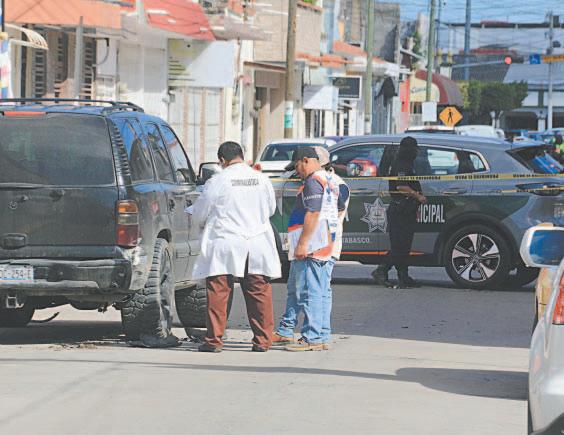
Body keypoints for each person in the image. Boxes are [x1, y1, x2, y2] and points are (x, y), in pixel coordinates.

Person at [189, 141, 281, 352]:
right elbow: (270, 209)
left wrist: (200, 223)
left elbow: (201, 211)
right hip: (257, 241)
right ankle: (262, 340)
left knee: (218, 290)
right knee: (259, 290)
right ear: (242, 155)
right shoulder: (261, 179)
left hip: (226, 240)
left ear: (222, 160)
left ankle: (214, 341)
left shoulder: (217, 181)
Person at [271, 147, 341, 351]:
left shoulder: (313, 181)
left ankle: (312, 337)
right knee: (318, 292)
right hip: (321, 243)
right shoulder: (327, 179)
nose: (297, 171)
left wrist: (302, 243)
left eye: (297, 166)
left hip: (313, 246)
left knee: (310, 292)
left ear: (306, 160)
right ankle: (321, 335)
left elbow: (313, 213)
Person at [372, 136, 427, 289]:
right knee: (399, 246)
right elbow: (401, 187)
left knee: (404, 246)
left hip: (407, 209)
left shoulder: (407, 163)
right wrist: (418, 196)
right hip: (399, 210)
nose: (416, 152)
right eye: (414, 149)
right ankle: (381, 270)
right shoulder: (401, 164)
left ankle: (403, 276)